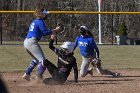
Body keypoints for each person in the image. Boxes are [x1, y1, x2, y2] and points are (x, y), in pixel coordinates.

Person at [22, 8, 63, 81]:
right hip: (32, 42)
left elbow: (42, 32)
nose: (46, 15)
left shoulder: (35, 21)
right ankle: (38, 78)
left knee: (36, 59)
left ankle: (27, 74)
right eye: (45, 14)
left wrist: (53, 31)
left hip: (26, 42)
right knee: (43, 61)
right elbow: (44, 33)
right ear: (41, 14)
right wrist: (55, 30)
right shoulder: (40, 21)